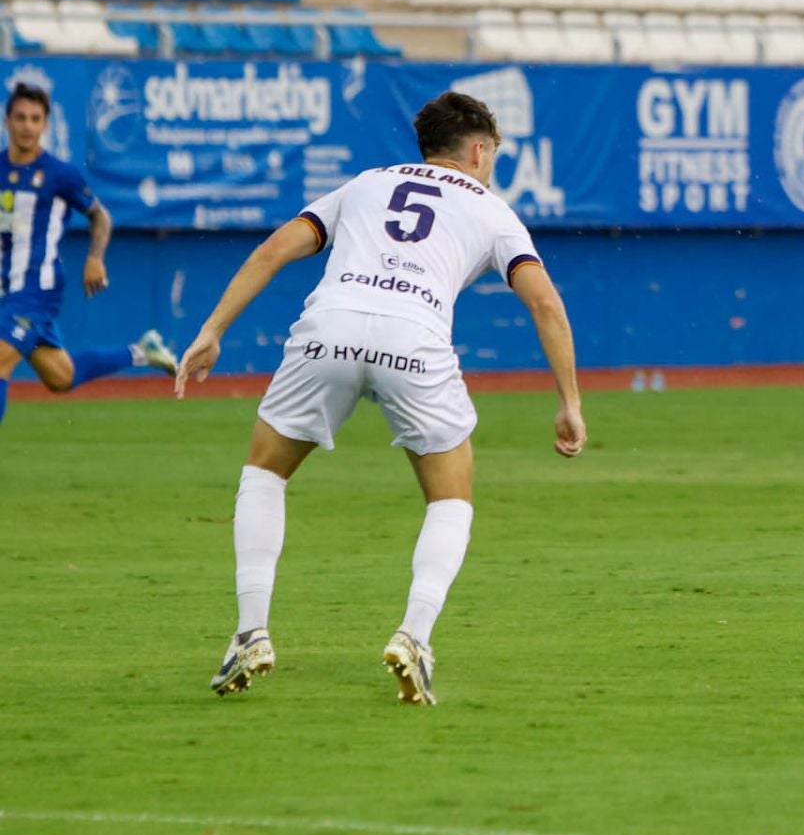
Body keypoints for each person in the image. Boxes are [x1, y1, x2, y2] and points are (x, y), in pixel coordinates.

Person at [175, 91, 587, 705]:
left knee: (264, 472)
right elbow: (546, 303)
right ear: (478, 150)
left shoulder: (365, 183)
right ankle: (414, 636)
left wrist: (212, 331)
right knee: (451, 497)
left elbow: (272, 251)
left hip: (329, 330)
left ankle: (249, 632)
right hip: (412, 340)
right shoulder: (492, 209)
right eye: (493, 154)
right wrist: (570, 401)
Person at [0, 82, 176, 425]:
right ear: (7, 121)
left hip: (37, 289)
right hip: (5, 290)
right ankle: (142, 352)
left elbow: (100, 215)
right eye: (20, 117)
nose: (27, 125)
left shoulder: (59, 174)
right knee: (60, 377)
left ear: (45, 124)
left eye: (35, 118)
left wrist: (95, 257)